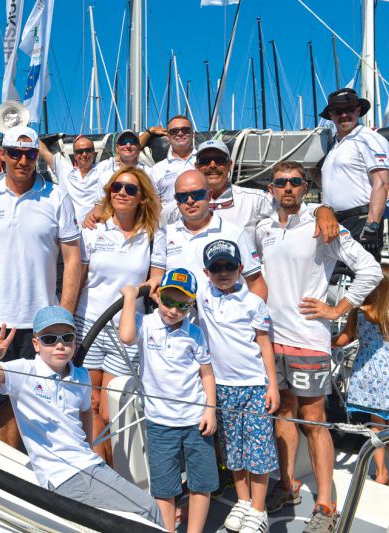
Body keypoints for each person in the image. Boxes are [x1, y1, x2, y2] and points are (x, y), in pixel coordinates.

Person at [255, 161, 381, 532]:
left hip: (307, 340)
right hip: (271, 339)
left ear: (306, 187)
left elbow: (370, 269)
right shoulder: (263, 229)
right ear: (271, 188)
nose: (287, 187)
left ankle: (326, 505)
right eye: (281, 182)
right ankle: (288, 484)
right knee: (282, 414)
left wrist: (338, 309)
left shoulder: (320, 224)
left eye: (295, 182)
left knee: (314, 422)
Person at [0, 306, 163, 526]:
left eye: (67, 338)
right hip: (64, 475)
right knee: (149, 509)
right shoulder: (24, 371)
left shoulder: (81, 376)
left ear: (75, 340)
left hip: (86, 466)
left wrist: (90, 452)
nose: (60, 345)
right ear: (36, 344)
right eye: (49, 339)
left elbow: (86, 415)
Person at [0, 125, 81, 449]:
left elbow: (73, 259)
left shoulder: (56, 196)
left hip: (41, 323)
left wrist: (64, 317)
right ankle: (8, 475)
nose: (22, 160)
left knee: (40, 407)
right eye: (15, 153)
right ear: (2, 155)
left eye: (29, 154)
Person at [119, 269, 218, 533]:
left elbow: (207, 374)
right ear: (158, 296)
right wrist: (130, 296)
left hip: (196, 421)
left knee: (201, 483)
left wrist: (210, 410)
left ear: (191, 305)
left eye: (182, 305)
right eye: (168, 301)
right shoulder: (146, 323)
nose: (173, 310)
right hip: (160, 422)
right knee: (164, 487)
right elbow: (126, 336)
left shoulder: (195, 333)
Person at [75, 166, 160, 464]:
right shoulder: (93, 230)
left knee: (113, 410)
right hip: (87, 324)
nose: (122, 193)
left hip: (127, 328)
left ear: (142, 197)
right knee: (90, 404)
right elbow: (78, 277)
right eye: (117, 187)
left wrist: (135, 293)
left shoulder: (153, 236)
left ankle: (111, 470)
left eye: (130, 189)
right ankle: (100, 471)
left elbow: (156, 280)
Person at [197, 239, 280, 533]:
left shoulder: (254, 303)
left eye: (229, 266)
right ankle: (243, 501)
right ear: (206, 272)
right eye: (216, 268)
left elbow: (264, 343)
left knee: (258, 451)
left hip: (255, 386)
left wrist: (272, 385)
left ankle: (258, 509)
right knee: (233, 449)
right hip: (222, 387)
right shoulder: (202, 296)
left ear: (241, 268)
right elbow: (170, 293)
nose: (223, 273)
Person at [162, 139, 339, 245]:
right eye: (205, 161)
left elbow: (291, 206)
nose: (212, 165)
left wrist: (322, 210)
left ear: (229, 165)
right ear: (196, 166)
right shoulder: (178, 206)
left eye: (219, 160)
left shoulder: (254, 200)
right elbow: (156, 231)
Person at [333, 263, 389, 491]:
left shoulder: (357, 312)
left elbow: (345, 338)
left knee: (376, 425)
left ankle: (380, 473)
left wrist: (326, 342)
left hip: (365, 373)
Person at [148, 170, 267, 300]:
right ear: (176, 201)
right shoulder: (165, 234)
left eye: (197, 194)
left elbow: (256, 282)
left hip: (225, 313)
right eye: (182, 197)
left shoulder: (235, 233)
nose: (190, 201)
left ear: (209, 195)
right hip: (177, 311)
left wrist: (255, 312)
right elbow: (157, 279)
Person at [320, 87, 389, 260]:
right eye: (338, 111)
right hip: (333, 222)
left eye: (349, 109)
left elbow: (382, 183)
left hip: (360, 220)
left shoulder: (370, 139)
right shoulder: (333, 145)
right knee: (336, 275)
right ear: (331, 115)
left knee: (360, 275)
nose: (344, 114)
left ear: (358, 111)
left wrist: (372, 227)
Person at [37, 135, 101, 221]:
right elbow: (44, 151)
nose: (84, 154)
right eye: (80, 151)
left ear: (93, 152)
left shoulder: (104, 168)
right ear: (75, 155)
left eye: (88, 150)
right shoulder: (65, 171)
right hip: (70, 227)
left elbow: (120, 158)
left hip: (95, 226)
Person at [149, 115, 197, 206]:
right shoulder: (157, 169)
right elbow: (153, 203)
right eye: (174, 131)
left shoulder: (205, 162)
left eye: (185, 130)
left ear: (192, 134)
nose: (180, 133)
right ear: (168, 137)